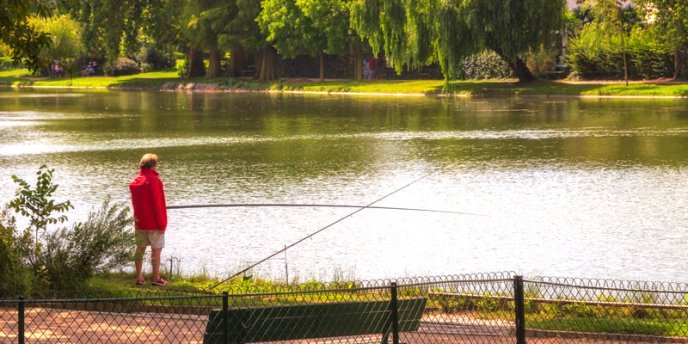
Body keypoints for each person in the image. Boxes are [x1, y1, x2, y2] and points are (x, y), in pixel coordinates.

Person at [130, 153, 170, 286]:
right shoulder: (155, 181)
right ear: (152, 166)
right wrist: (162, 224)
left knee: (140, 249)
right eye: (156, 165)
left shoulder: (135, 182)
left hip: (140, 222)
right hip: (154, 222)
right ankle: (156, 278)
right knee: (156, 249)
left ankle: (139, 277)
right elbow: (157, 204)